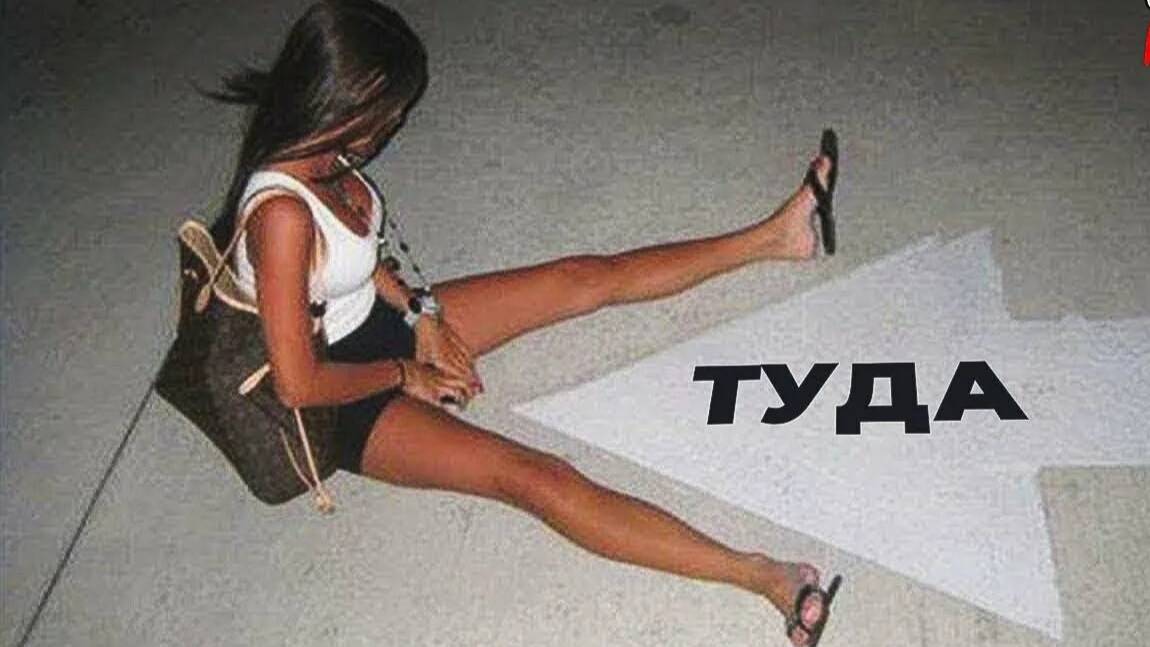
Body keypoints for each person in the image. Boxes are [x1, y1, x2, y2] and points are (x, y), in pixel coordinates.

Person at [203, 1, 841, 644]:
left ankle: (776, 237)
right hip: (338, 393)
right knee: (536, 478)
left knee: (582, 277)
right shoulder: (281, 214)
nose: (395, 124)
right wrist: (407, 374)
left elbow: (354, 261)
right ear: (344, 97)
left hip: (377, 321)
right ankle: (766, 578)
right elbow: (299, 385)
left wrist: (421, 314)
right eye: (388, 111)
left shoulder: (327, 153)